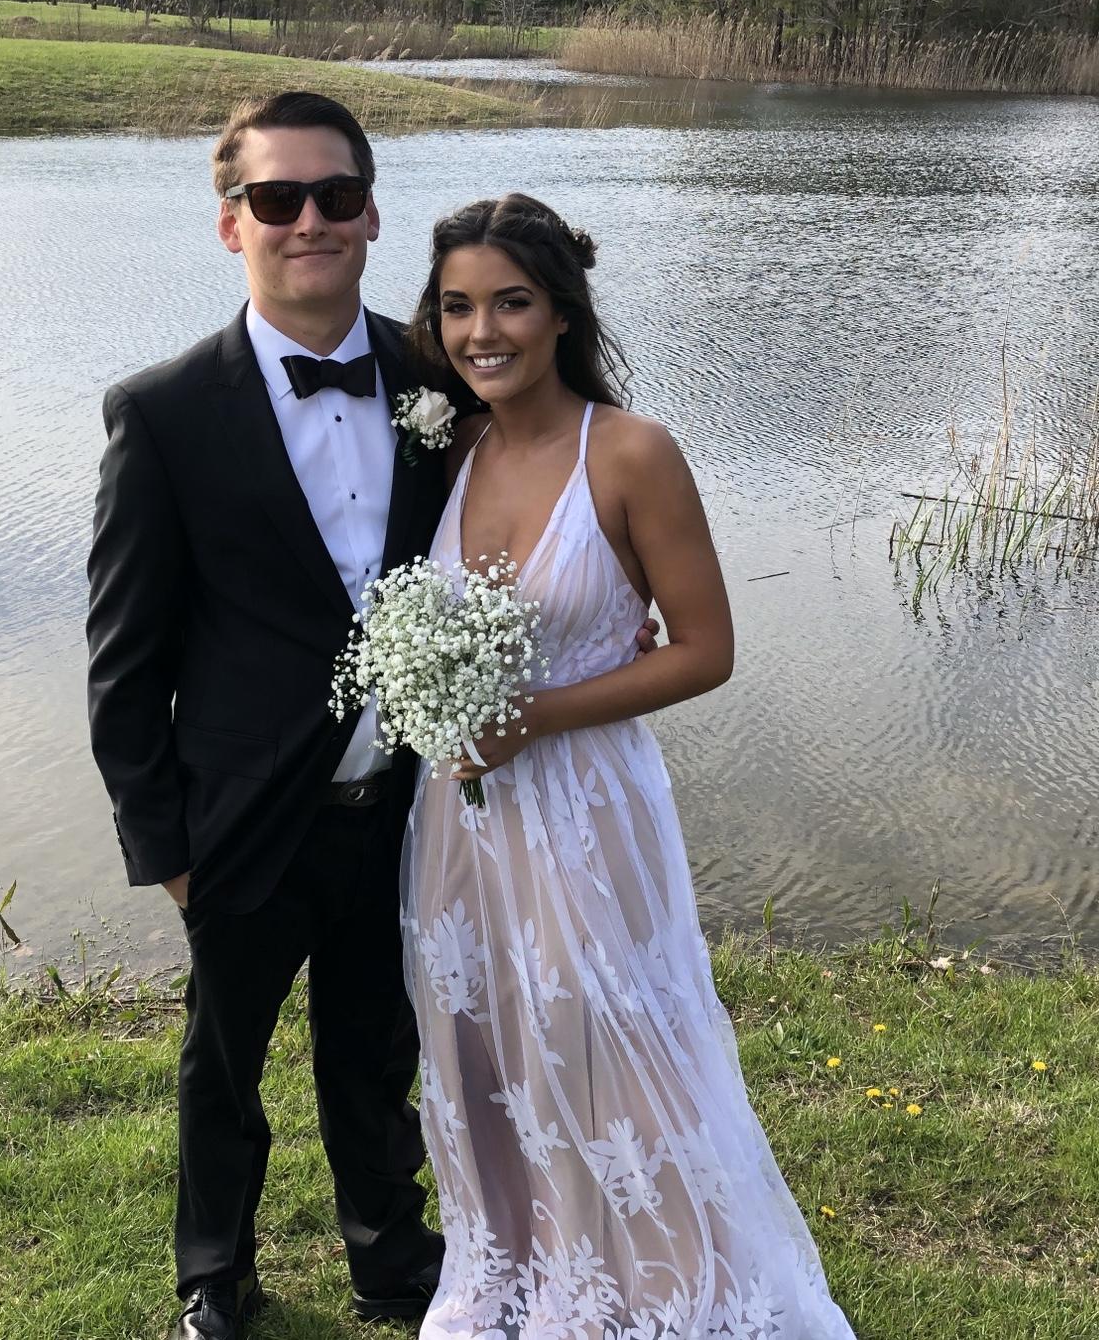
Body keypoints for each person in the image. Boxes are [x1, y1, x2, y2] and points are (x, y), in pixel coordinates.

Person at [400, 194, 858, 1339]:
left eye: (511, 302)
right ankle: (529, 1275)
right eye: (457, 307)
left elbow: (706, 652)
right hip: (457, 817)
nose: (482, 332)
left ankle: (665, 1292)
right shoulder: (449, 444)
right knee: (488, 1045)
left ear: (562, 312)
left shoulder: (635, 454)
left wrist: (535, 715)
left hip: (586, 808)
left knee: (608, 1046)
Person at [85, 92, 449, 1340]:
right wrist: (165, 852)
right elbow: (124, 665)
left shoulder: (441, 379)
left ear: (371, 215)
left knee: (373, 1050)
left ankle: (390, 1260)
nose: (310, 222)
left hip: (401, 807)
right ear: (229, 224)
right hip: (238, 820)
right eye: (278, 199)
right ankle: (214, 1275)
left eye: (335, 197)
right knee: (222, 1067)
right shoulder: (164, 414)